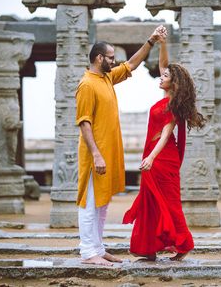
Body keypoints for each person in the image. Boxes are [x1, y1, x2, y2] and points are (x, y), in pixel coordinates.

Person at [75, 25, 168, 266]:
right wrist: (96, 154)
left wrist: (151, 41)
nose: (114, 61)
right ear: (99, 58)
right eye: (110, 58)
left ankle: (98, 247)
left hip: (109, 151)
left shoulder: (105, 77)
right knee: (90, 203)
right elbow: (84, 123)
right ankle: (87, 252)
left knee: (102, 204)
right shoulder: (87, 84)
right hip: (94, 154)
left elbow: (131, 66)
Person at [123, 32, 205, 261]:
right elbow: (162, 64)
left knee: (169, 202)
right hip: (153, 156)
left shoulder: (173, 106)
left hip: (162, 157)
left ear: (173, 82)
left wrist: (151, 158)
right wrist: (162, 43)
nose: (161, 77)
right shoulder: (166, 95)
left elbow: (166, 135)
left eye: (165, 76)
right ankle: (148, 247)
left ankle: (184, 244)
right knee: (150, 201)